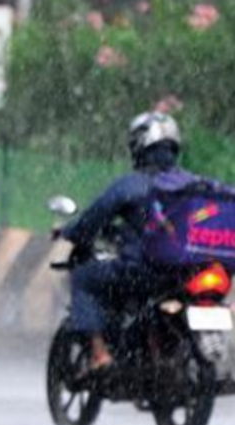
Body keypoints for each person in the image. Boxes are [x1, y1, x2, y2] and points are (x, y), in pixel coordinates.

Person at [58, 111, 193, 374]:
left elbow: (92, 219)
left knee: (84, 277)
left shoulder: (132, 185)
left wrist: (71, 232)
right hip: (187, 272)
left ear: (140, 145)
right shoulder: (193, 184)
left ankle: (100, 354)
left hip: (143, 272)